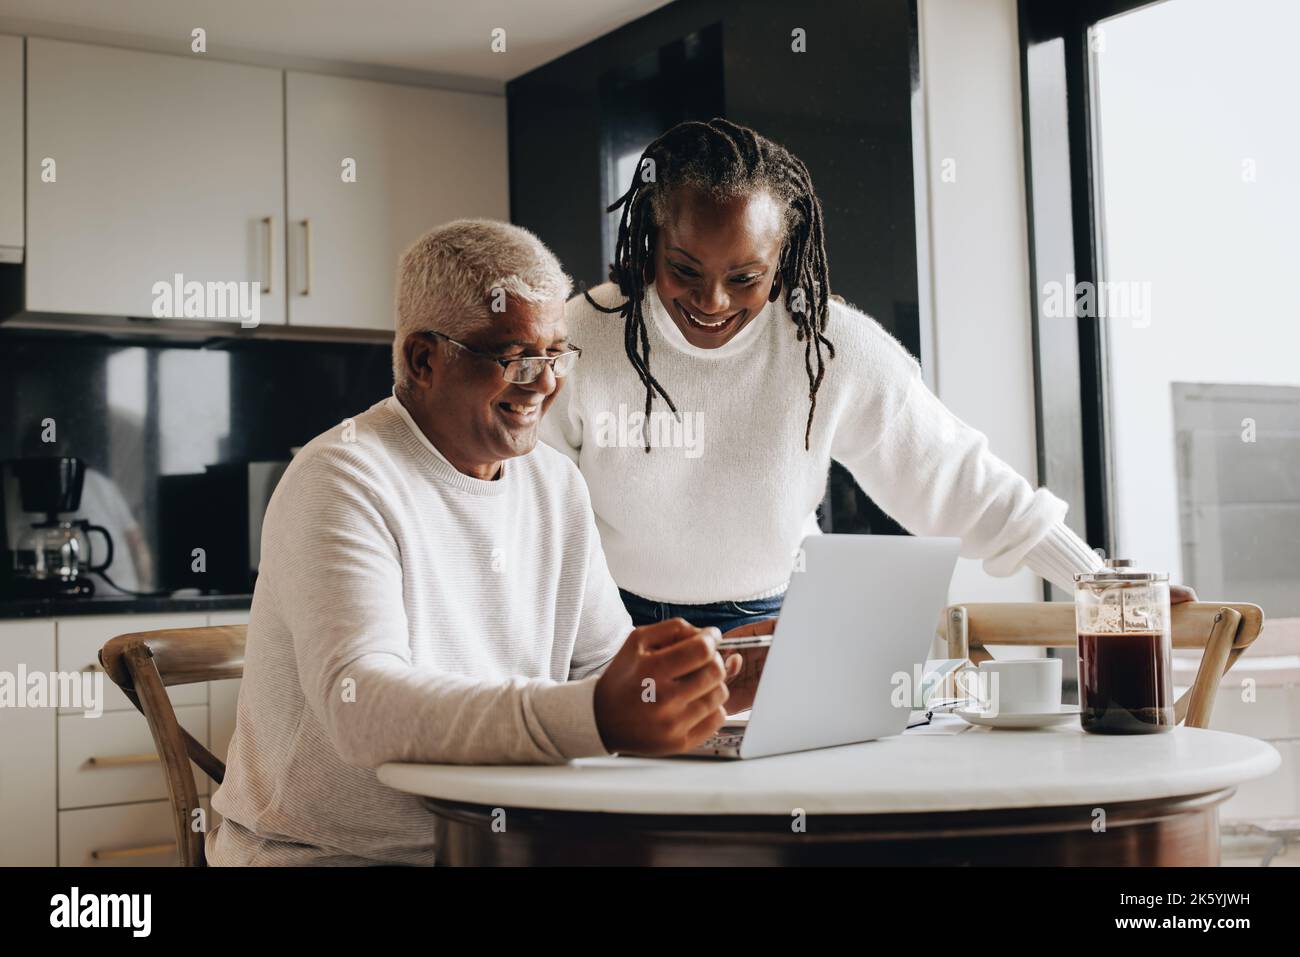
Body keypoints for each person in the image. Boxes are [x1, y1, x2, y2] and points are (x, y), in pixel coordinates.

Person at [541, 118, 1196, 645]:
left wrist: (1097, 580)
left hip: (778, 623)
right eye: (685, 269)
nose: (712, 300)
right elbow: (533, 513)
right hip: (613, 628)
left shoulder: (827, 346)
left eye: (744, 278)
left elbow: (952, 475)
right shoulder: (579, 338)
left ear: (784, 262)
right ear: (647, 241)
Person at [206, 220, 736, 866]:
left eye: (556, 354)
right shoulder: (341, 477)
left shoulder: (555, 482)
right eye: (514, 356)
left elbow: (603, 667)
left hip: (503, 845)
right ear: (424, 359)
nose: (543, 382)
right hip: (331, 854)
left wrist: (714, 673)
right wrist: (595, 713)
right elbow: (361, 704)